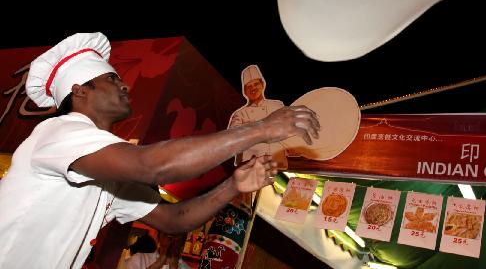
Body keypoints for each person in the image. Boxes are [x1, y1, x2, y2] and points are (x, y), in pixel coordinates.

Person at [0, 32, 320, 268]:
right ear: (80, 91)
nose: (124, 84)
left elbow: (173, 218)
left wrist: (233, 185)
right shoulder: (59, 132)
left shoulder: (106, 168)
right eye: (111, 78)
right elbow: (153, 166)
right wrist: (262, 128)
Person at [228, 64, 285, 163]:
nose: (253, 88)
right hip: (250, 163)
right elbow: (231, 138)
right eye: (249, 86)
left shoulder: (277, 105)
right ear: (245, 92)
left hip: (278, 161)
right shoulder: (240, 114)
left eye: (256, 84)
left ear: (262, 84)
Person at [125, 232, 192, 269]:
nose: (171, 239)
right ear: (159, 237)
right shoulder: (139, 259)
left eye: (177, 236)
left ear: (183, 241)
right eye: (167, 234)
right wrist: (158, 264)